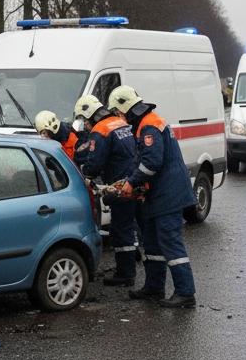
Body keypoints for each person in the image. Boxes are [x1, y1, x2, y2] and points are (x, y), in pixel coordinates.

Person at [108, 86, 197, 308]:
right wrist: (130, 180)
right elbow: (142, 161)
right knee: (152, 243)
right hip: (161, 193)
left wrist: (131, 183)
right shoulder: (147, 123)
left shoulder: (149, 126)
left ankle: (185, 293)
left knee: (170, 242)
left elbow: (152, 162)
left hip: (169, 194)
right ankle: (154, 287)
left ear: (125, 109)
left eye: (118, 112)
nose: (119, 117)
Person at [74, 94, 140, 287]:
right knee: (135, 225)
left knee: (121, 230)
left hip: (119, 184)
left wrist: (85, 172)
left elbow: (95, 163)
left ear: (90, 115)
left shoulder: (100, 130)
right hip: (134, 179)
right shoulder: (119, 122)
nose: (85, 125)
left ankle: (125, 274)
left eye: (85, 120)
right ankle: (138, 264)